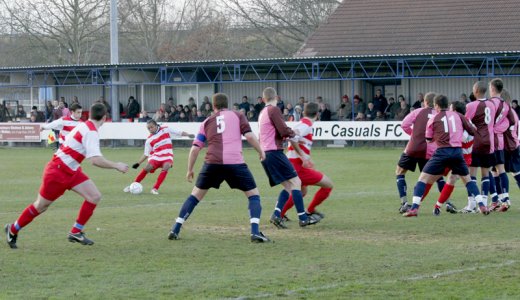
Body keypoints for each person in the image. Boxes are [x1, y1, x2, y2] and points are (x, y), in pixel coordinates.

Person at [4, 103, 129, 249]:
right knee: (40, 206)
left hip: (71, 170)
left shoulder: (85, 126)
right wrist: (117, 165)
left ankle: (76, 231)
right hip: (57, 172)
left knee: (94, 196)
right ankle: (12, 230)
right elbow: (95, 160)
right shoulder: (90, 131)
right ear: (104, 117)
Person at [167, 93, 270, 243]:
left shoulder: (206, 122)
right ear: (227, 104)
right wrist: (261, 151)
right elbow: (249, 136)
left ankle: (175, 228)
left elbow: (195, 148)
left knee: (195, 196)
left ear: (213, 106)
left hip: (212, 163)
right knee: (253, 195)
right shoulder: (238, 115)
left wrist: (189, 169)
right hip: (235, 163)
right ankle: (255, 231)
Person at [403, 94, 487, 217]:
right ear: (447, 105)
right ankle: (482, 205)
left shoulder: (433, 119)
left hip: (442, 152)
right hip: (457, 152)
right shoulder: (459, 116)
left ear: (436, 105)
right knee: (467, 179)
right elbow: (472, 130)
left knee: (423, 179)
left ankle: (414, 208)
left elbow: (428, 139)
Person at [258, 87, 320, 229]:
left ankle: (276, 215)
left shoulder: (262, 112)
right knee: (296, 182)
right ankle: (303, 218)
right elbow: (283, 130)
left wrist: (294, 136)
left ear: (263, 99)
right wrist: (296, 136)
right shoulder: (273, 110)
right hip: (274, 151)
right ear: (277, 98)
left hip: (265, 154)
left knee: (288, 187)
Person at [396, 92, 456, 214]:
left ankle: (404, 203)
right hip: (430, 150)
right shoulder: (439, 114)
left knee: (400, 172)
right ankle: (448, 203)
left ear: (425, 102)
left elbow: (404, 125)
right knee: (438, 176)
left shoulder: (417, 112)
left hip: (413, 148)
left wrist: (414, 135)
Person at [279, 102, 334, 221]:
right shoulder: (306, 124)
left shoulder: (303, 123)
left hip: (294, 164)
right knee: (328, 185)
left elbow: (294, 138)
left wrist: (304, 156)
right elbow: (292, 137)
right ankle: (309, 211)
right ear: (318, 114)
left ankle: (280, 214)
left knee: (302, 191)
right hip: (296, 166)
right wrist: (303, 155)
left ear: (304, 112)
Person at [124, 119, 194, 195]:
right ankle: (133, 185)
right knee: (147, 168)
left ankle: (155, 188)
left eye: (151, 127)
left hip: (167, 156)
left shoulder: (166, 129)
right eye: (148, 128)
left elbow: (179, 132)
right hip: (156, 156)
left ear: (156, 125)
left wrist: (188, 134)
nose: (150, 129)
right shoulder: (149, 140)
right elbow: (146, 154)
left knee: (167, 166)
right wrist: (138, 163)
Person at [461, 81, 497, 213]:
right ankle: (484, 203)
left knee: (472, 173)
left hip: (476, 142)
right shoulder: (492, 104)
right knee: (486, 174)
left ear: (475, 91)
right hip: (489, 142)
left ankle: (472, 205)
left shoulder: (471, 105)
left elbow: (466, 123)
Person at [487, 78, 510, 211]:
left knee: (488, 170)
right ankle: (504, 199)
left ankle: (496, 199)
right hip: (499, 140)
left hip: (490, 140)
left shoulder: (490, 103)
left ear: (492, 88)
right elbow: (507, 122)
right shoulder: (505, 104)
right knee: (499, 170)